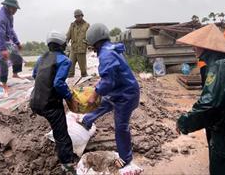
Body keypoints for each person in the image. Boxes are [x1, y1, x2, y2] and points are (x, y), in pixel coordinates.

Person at [176, 24, 225, 175]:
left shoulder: (219, 65)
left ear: (206, 47)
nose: (193, 48)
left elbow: (210, 104)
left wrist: (184, 122)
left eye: (195, 45)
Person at [79, 23, 143, 174]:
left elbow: (108, 81)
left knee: (121, 127)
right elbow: (109, 76)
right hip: (120, 91)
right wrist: (98, 85)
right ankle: (87, 121)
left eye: (91, 44)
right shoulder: (110, 49)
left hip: (125, 96)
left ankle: (125, 159)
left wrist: (94, 94)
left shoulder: (106, 55)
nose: (91, 47)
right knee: (105, 103)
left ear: (95, 40)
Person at [30, 31, 78, 174]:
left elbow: (34, 75)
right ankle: (68, 168)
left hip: (35, 102)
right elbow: (58, 83)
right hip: (50, 104)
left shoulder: (41, 58)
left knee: (59, 132)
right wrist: (69, 96)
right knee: (62, 136)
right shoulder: (64, 60)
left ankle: (61, 155)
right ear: (63, 45)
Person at [66, 9, 90, 77]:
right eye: (76, 16)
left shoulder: (87, 25)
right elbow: (68, 35)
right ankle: (70, 81)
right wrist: (65, 42)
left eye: (79, 16)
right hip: (73, 49)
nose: (78, 18)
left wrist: (89, 45)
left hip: (81, 50)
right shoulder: (72, 25)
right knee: (70, 68)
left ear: (82, 16)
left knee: (83, 71)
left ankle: (85, 80)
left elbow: (89, 37)